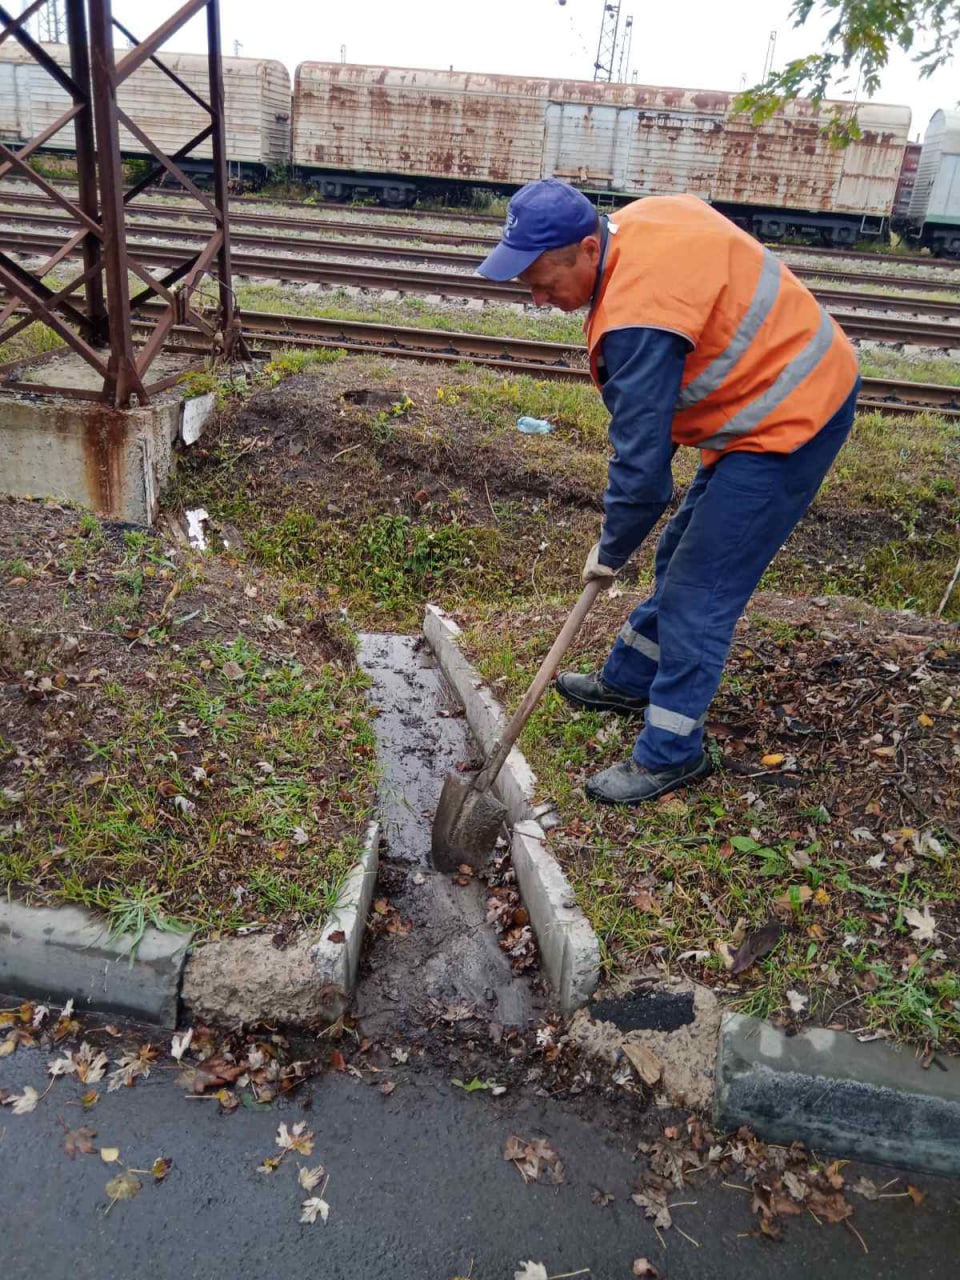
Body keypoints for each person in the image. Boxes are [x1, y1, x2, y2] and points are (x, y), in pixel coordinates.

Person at [477, 179, 860, 806]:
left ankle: (673, 753)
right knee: (680, 551)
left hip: (794, 412)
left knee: (700, 590)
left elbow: (644, 470)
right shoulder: (640, 223)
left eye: (545, 280)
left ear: (588, 248)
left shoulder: (637, 320)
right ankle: (629, 680)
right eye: (528, 285)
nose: (540, 298)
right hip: (753, 398)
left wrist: (609, 547)